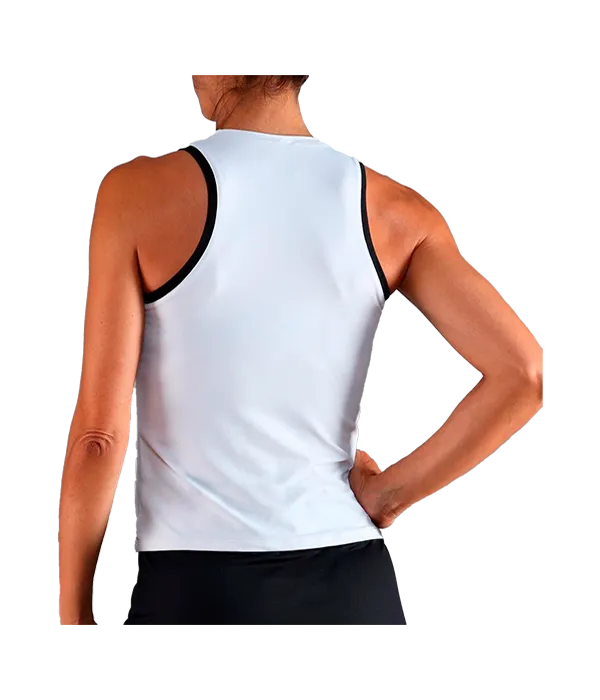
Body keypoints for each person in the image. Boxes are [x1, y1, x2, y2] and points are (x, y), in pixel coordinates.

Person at [58, 73, 544, 632]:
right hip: (352, 592)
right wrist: (388, 495)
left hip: (201, 593)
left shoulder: (138, 194)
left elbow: (98, 440)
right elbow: (525, 374)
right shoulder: (395, 211)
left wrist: (73, 616)